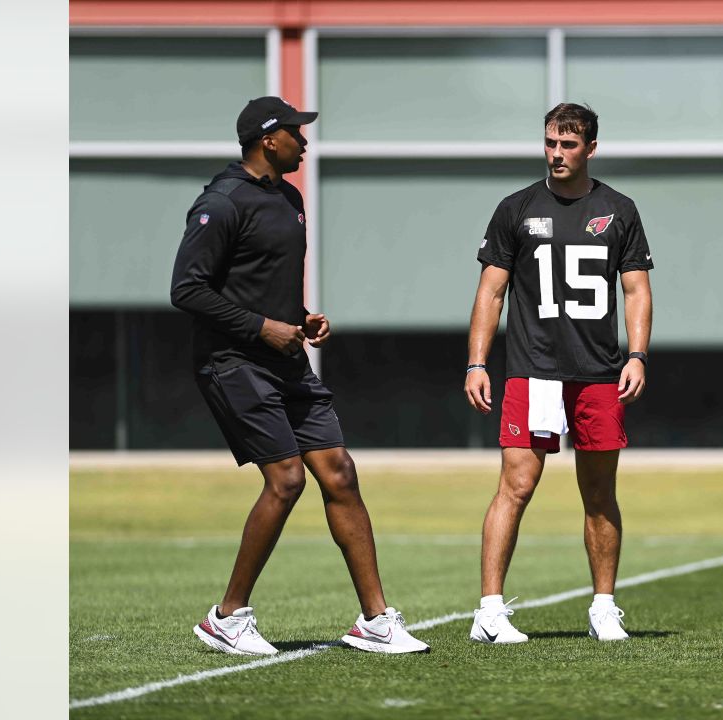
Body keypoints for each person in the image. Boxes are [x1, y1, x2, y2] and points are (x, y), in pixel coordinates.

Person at [171, 96, 428, 655]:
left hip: (285, 359)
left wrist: (299, 316)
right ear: (269, 140)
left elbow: (260, 280)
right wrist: (263, 327)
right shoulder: (221, 202)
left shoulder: (288, 198)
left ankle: (376, 621)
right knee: (286, 479)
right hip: (232, 362)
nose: (304, 140)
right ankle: (227, 617)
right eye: (295, 132)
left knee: (339, 473)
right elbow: (187, 290)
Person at [464, 103, 654, 643]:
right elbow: (491, 292)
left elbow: (636, 289)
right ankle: (490, 611)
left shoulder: (619, 209)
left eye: (568, 145)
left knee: (599, 492)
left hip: (598, 373)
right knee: (516, 485)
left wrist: (637, 354)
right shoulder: (515, 208)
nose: (556, 154)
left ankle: (603, 607)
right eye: (550, 142)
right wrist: (477, 363)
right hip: (533, 370)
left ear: (590, 148)